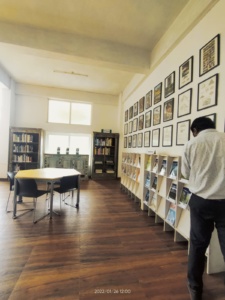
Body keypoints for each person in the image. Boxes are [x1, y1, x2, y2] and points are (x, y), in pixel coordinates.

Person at [181, 116, 225, 300]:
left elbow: (185, 172)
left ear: (194, 130)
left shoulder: (191, 144)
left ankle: (195, 289)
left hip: (200, 201)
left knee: (198, 246)